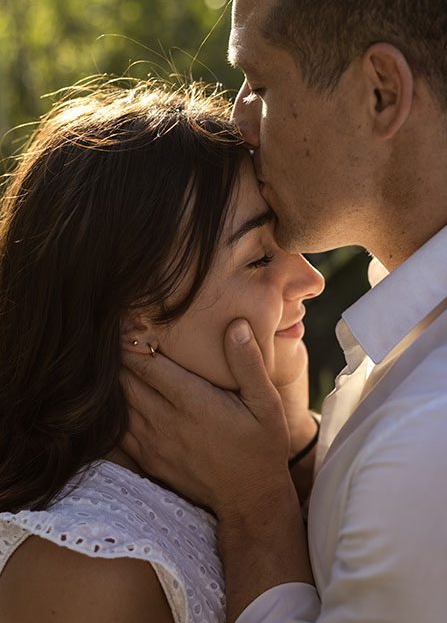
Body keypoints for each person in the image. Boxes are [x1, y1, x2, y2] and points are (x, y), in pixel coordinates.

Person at [121, 0, 447, 623]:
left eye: (261, 84)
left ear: (381, 93)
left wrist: (255, 513)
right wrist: (295, 459)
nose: (238, 117)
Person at [0, 79, 325, 623]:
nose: (310, 279)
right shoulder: (91, 571)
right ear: (135, 320)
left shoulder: (217, 481)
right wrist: (258, 508)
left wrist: (290, 445)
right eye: (259, 259)